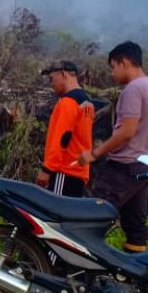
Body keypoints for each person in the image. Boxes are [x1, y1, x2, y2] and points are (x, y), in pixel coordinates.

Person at [77, 41, 148, 253]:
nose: (113, 74)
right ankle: (136, 274)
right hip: (147, 163)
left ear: (124, 62)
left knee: (89, 218)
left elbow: (126, 132)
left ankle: (79, 271)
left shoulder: (133, 90)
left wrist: (94, 153)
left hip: (125, 167)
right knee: (135, 225)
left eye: (113, 67)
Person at [35, 60, 94, 198]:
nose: (51, 84)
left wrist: (47, 170)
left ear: (63, 74)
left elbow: (62, 139)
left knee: (54, 216)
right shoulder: (86, 102)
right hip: (79, 171)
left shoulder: (68, 102)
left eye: (52, 79)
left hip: (64, 171)